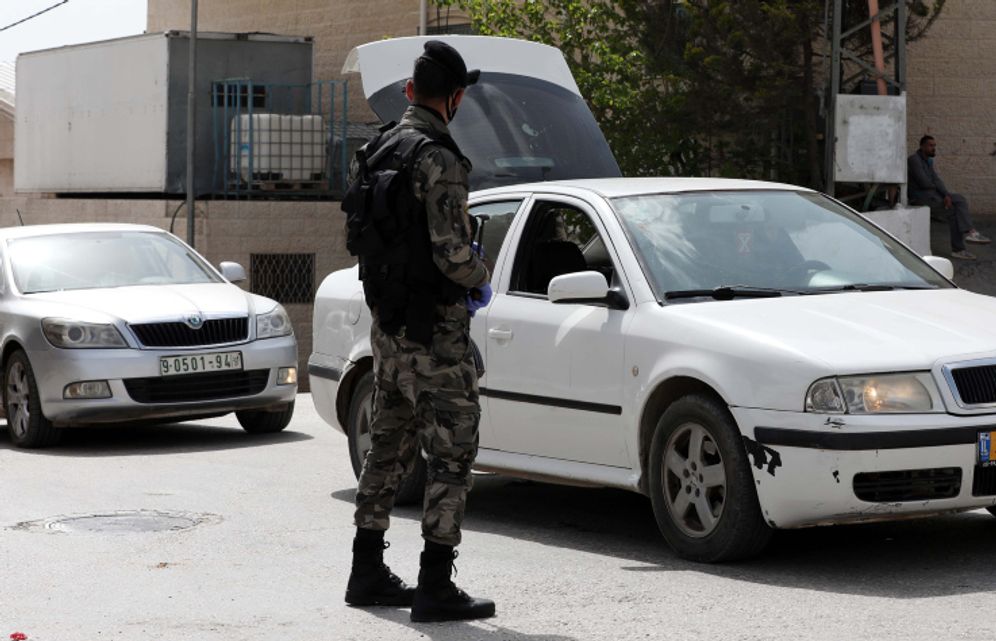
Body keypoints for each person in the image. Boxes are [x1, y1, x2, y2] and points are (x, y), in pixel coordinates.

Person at [342, 40, 495, 623]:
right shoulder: (440, 158)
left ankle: (366, 570)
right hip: (436, 335)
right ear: (453, 99)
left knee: (386, 448)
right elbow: (453, 254)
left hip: (388, 330)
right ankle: (435, 585)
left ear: (409, 91)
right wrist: (481, 276)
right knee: (451, 456)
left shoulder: (375, 149)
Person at [908, 135, 990, 260]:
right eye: (930, 145)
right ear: (922, 146)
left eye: (934, 145)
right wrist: (941, 194)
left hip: (933, 195)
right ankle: (963, 243)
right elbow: (924, 182)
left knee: (959, 201)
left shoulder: (928, 161)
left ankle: (967, 238)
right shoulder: (914, 159)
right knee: (954, 211)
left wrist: (945, 194)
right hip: (920, 198)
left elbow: (936, 180)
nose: (933, 148)